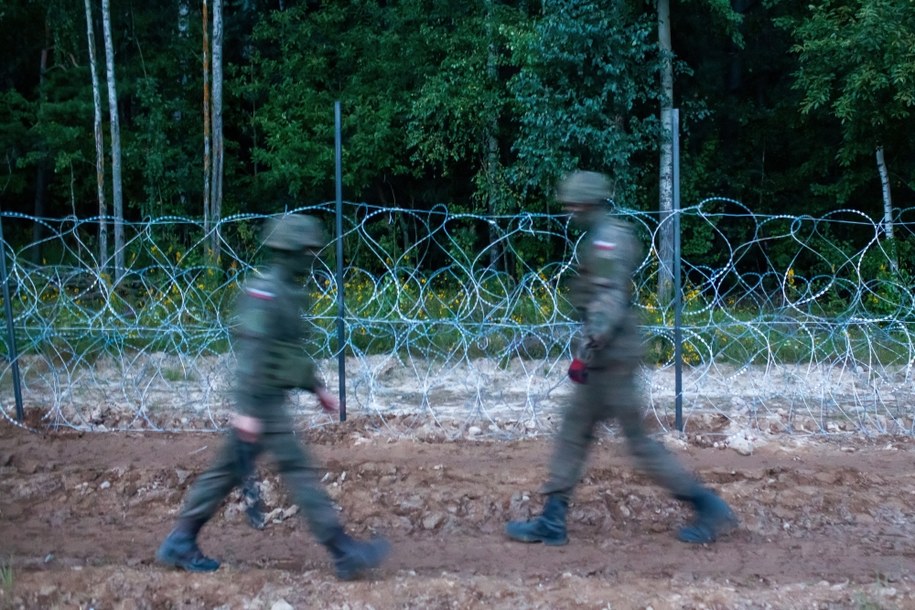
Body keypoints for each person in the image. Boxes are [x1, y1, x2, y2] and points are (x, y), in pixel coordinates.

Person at [505, 171, 737, 546]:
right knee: (574, 430)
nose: (569, 211)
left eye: (573, 204)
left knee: (636, 443)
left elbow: (608, 302)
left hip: (610, 358)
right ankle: (553, 519)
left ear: (587, 203)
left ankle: (707, 505)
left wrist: (586, 351)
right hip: (610, 355)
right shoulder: (603, 235)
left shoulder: (606, 241)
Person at [156, 214, 390, 580]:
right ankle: (343, 551)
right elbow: (254, 351)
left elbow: (289, 353)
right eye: (307, 250)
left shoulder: (288, 291)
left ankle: (181, 540)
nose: (312, 256)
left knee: (226, 472)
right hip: (261, 404)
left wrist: (318, 389)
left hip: (268, 401)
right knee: (296, 472)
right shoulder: (265, 291)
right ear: (289, 251)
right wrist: (247, 410)